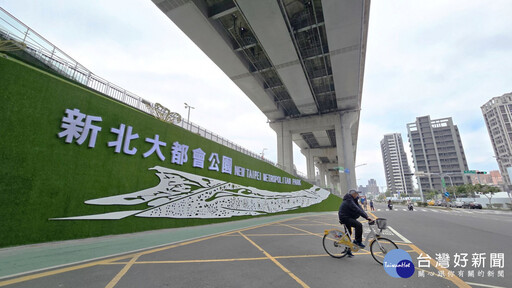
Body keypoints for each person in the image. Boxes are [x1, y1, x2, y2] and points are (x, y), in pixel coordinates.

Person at [338, 190, 373, 258]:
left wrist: (367, 216)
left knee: (348, 233)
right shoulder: (349, 200)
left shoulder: (354, 200)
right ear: (353, 194)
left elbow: (360, 209)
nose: (358, 195)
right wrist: (366, 217)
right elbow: (357, 209)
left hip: (349, 217)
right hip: (344, 217)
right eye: (356, 194)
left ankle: (348, 250)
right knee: (358, 225)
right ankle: (357, 241)